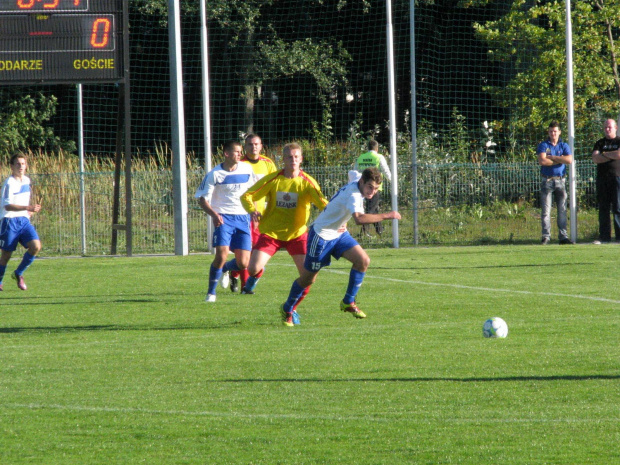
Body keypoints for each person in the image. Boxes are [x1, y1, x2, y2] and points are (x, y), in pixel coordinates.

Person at [279, 167, 401, 327]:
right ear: (362, 182)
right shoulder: (354, 195)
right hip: (321, 236)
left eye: (376, 188)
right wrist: (387, 215)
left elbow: (353, 173)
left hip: (339, 234)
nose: (372, 192)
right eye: (370, 187)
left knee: (363, 260)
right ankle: (287, 308)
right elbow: (359, 219)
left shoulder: (358, 181)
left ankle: (348, 301)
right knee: (308, 278)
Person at [240, 143, 328, 323]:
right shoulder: (273, 179)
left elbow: (323, 204)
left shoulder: (307, 182)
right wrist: (251, 210)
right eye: (289, 157)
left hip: (297, 235)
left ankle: (290, 309)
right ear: (283, 159)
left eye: (296, 157)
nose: (293, 160)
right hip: (271, 233)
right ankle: (255, 277)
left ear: (301, 159)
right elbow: (247, 195)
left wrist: (339, 219)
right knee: (252, 268)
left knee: (308, 277)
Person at [195, 140, 258, 302]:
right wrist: (214, 215)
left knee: (244, 264)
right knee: (222, 255)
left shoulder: (246, 169)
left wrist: (253, 212)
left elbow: (253, 193)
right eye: (236, 152)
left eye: (240, 152)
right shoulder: (215, 174)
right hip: (224, 218)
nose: (240, 154)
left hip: (243, 218)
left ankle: (225, 269)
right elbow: (202, 200)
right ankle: (211, 293)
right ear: (227, 154)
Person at [229, 134, 277, 293]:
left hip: (263, 216)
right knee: (248, 252)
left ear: (261, 146)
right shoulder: (239, 164)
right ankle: (245, 287)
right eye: (250, 144)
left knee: (255, 254)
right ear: (245, 147)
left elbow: (274, 187)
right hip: (244, 215)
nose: (253, 147)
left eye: (256, 144)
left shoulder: (268, 163)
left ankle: (233, 272)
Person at [0, 152, 42, 291]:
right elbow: (7, 205)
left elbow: (24, 200)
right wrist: (27, 207)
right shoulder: (9, 183)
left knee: (36, 246)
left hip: (23, 221)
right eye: (18, 164)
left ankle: (18, 273)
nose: (21, 166)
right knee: (6, 255)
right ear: (11, 166)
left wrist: (29, 210)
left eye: (23, 163)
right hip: (9, 221)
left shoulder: (27, 181)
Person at [536, 121, 573, 245]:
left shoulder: (564, 145)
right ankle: (546, 236)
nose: (553, 133)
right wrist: (559, 160)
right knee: (546, 211)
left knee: (562, 210)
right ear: (549, 132)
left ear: (559, 132)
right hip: (547, 180)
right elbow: (542, 161)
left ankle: (563, 236)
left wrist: (552, 157)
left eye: (555, 131)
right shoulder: (543, 145)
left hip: (560, 180)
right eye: (551, 131)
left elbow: (569, 159)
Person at [354, 140, 392, 236]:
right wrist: (392, 181)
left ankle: (380, 231)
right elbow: (386, 170)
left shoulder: (361, 157)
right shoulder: (378, 157)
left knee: (374, 209)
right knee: (370, 209)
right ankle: (363, 232)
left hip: (362, 188)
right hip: (374, 188)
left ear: (368, 148)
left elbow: (355, 171)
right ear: (377, 148)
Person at [591, 119, 620, 244]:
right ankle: (604, 237)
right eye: (605, 128)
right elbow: (595, 158)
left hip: (617, 178)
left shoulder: (618, 141)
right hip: (602, 179)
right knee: (603, 208)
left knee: (618, 208)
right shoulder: (599, 143)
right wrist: (610, 155)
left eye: (609, 127)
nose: (607, 129)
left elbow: (618, 154)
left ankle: (619, 237)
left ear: (615, 128)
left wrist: (604, 154)